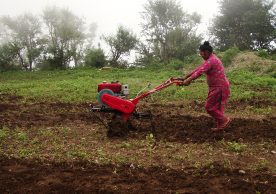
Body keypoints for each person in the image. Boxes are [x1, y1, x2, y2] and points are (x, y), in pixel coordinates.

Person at [180, 41, 231, 132]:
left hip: (219, 87)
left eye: (201, 54)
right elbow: (199, 69)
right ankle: (221, 127)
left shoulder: (212, 60)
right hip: (218, 87)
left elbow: (200, 72)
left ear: (206, 52)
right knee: (218, 108)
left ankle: (224, 120)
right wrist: (185, 77)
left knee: (209, 107)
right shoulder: (210, 59)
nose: (201, 56)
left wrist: (188, 80)